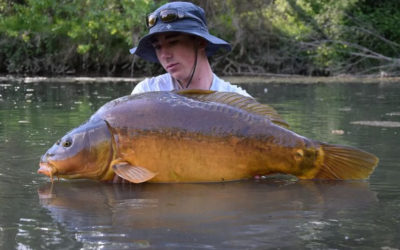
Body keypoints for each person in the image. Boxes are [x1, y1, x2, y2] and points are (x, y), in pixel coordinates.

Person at [129, 1, 251, 97]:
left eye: (173, 42)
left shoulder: (241, 104)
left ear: (200, 42)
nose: (164, 55)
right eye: (158, 47)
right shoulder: (147, 93)